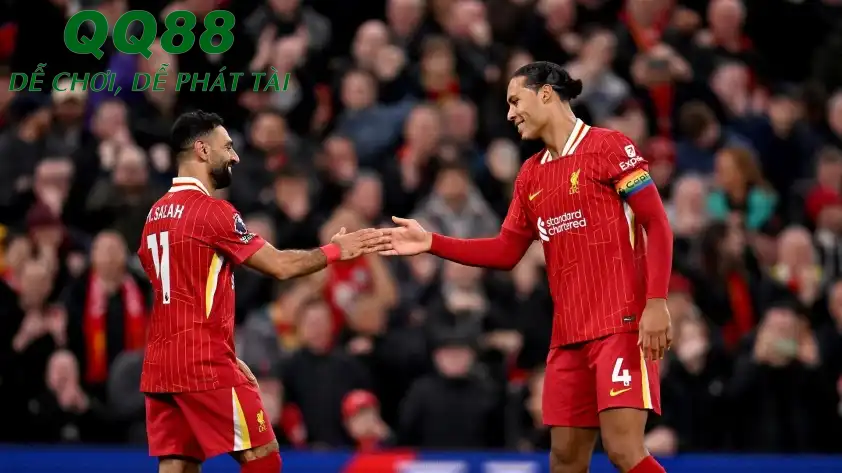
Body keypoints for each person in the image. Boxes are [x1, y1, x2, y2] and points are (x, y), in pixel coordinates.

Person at [380, 62, 673, 473]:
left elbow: (656, 223)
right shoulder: (530, 175)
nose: (510, 113)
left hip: (620, 325)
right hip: (568, 337)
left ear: (546, 93)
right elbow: (506, 251)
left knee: (623, 449)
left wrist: (656, 302)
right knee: (565, 459)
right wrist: (432, 242)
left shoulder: (609, 147)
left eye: (515, 100)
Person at [138, 110, 389, 473]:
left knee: (178, 465)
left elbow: (177, 293)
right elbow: (281, 266)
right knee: (263, 457)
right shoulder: (212, 212)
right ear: (202, 150)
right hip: (202, 362)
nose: (235, 156)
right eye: (227, 146)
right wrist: (336, 251)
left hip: (162, 365)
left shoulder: (155, 215)